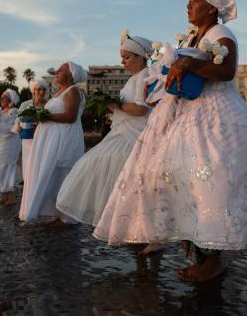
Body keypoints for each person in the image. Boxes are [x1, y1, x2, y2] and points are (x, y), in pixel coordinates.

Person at [95, 0, 247, 282]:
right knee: (179, 183)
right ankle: (195, 254)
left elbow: (226, 71)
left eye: (194, 0)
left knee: (206, 185)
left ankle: (211, 260)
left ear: (212, 7)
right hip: (185, 114)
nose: (188, 5)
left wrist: (187, 64)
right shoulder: (193, 35)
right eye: (188, 0)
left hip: (214, 118)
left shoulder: (220, 34)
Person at [56, 33, 152, 225]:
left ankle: (132, 223)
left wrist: (113, 104)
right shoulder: (133, 78)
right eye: (122, 58)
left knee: (112, 170)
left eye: (127, 57)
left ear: (141, 56)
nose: (123, 62)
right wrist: (104, 101)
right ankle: (128, 222)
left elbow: (142, 108)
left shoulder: (145, 76)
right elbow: (123, 106)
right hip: (123, 131)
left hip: (134, 134)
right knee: (109, 171)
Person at [19, 62, 86, 225]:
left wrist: (45, 117)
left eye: (61, 70)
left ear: (71, 75)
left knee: (63, 175)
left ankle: (67, 217)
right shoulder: (59, 92)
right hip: (51, 140)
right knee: (53, 175)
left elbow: (71, 117)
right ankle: (58, 214)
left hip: (64, 139)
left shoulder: (73, 91)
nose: (57, 71)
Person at [15, 79, 48, 183]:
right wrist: (19, 126)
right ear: (33, 90)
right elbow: (17, 120)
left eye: (44, 89)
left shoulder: (49, 104)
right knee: (28, 165)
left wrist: (40, 125)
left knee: (41, 166)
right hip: (28, 140)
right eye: (39, 89)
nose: (41, 92)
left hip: (44, 140)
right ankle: (28, 189)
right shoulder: (25, 104)